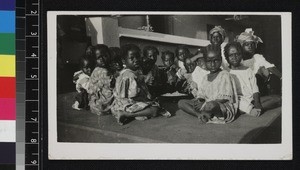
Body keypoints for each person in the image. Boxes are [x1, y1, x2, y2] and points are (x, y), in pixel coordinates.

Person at [178, 46, 238, 124]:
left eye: (216, 60)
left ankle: (207, 113)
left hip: (220, 107)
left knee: (211, 105)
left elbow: (224, 98)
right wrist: (199, 101)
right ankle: (200, 115)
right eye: (209, 61)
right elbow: (201, 95)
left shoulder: (225, 75)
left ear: (220, 60)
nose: (212, 64)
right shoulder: (205, 78)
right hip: (205, 105)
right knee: (181, 103)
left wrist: (205, 104)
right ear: (205, 62)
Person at [111, 44, 161, 125]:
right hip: (127, 104)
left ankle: (135, 114)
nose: (136, 60)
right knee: (155, 109)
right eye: (132, 58)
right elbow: (133, 97)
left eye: (138, 57)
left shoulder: (134, 71)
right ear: (124, 61)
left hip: (122, 104)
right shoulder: (129, 75)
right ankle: (127, 114)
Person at [236, 28, 282, 96]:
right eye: (247, 44)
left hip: (258, 89)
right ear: (242, 46)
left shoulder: (257, 57)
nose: (250, 47)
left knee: (264, 72)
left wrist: (282, 77)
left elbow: (270, 67)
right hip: (244, 90)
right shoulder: (238, 60)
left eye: (252, 44)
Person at [224, 42, 263, 116]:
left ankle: (250, 107)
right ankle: (249, 109)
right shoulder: (226, 72)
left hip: (250, 99)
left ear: (241, 55)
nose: (234, 57)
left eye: (237, 54)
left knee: (273, 100)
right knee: (234, 103)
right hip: (236, 99)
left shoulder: (248, 70)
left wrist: (257, 102)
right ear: (227, 57)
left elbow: (255, 88)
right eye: (231, 55)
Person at [87, 44, 114, 115]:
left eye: (105, 56)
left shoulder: (96, 69)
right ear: (95, 60)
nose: (102, 59)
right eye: (98, 58)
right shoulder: (104, 71)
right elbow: (112, 85)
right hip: (103, 106)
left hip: (94, 105)